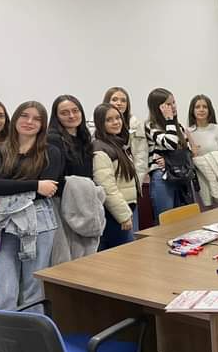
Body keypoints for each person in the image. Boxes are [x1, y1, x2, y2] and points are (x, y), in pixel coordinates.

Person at [0, 101, 61, 312]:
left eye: (36, 118)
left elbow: (49, 189)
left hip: (40, 221)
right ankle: (0, 332)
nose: (29, 121)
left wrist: (11, 186)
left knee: (34, 287)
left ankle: (32, 331)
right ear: (15, 118)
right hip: (2, 224)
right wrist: (35, 184)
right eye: (24, 116)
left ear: (43, 124)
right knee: (3, 287)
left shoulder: (51, 152)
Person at [103, 87, 148, 232]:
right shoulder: (96, 126)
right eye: (114, 99)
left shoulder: (135, 124)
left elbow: (141, 156)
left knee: (132, 233)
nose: (119, 103)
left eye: (123, 100)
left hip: (130, 187)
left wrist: (136, 182)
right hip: (111, 189)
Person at [92, 103, 137, 250]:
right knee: (126, 256)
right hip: (114, 214)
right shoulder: (100, 149)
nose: (116, 122)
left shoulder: (117, 143)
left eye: (118, 118)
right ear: (100, 123)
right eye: (109, 120)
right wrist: (123, 215)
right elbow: (107, 187)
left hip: (124, 209)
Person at [145, 88, 192, 222]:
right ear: (158, 107)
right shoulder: (151, 126)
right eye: (168, 104)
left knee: (183, 220)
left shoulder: (179, 127)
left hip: (181, 175)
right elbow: (170, 143)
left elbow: (187, 152)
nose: (173, 107)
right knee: (166, 220)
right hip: (162, 177)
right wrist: (169, 120)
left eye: (174, 103)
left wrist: (170, 161)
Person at [48, 95, 94, 185]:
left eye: (75, 111)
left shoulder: (84, 137)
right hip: (67, 192)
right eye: (64, 113)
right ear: (56, 116)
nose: (71, 116)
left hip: (87, 191)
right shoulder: (53, 140)